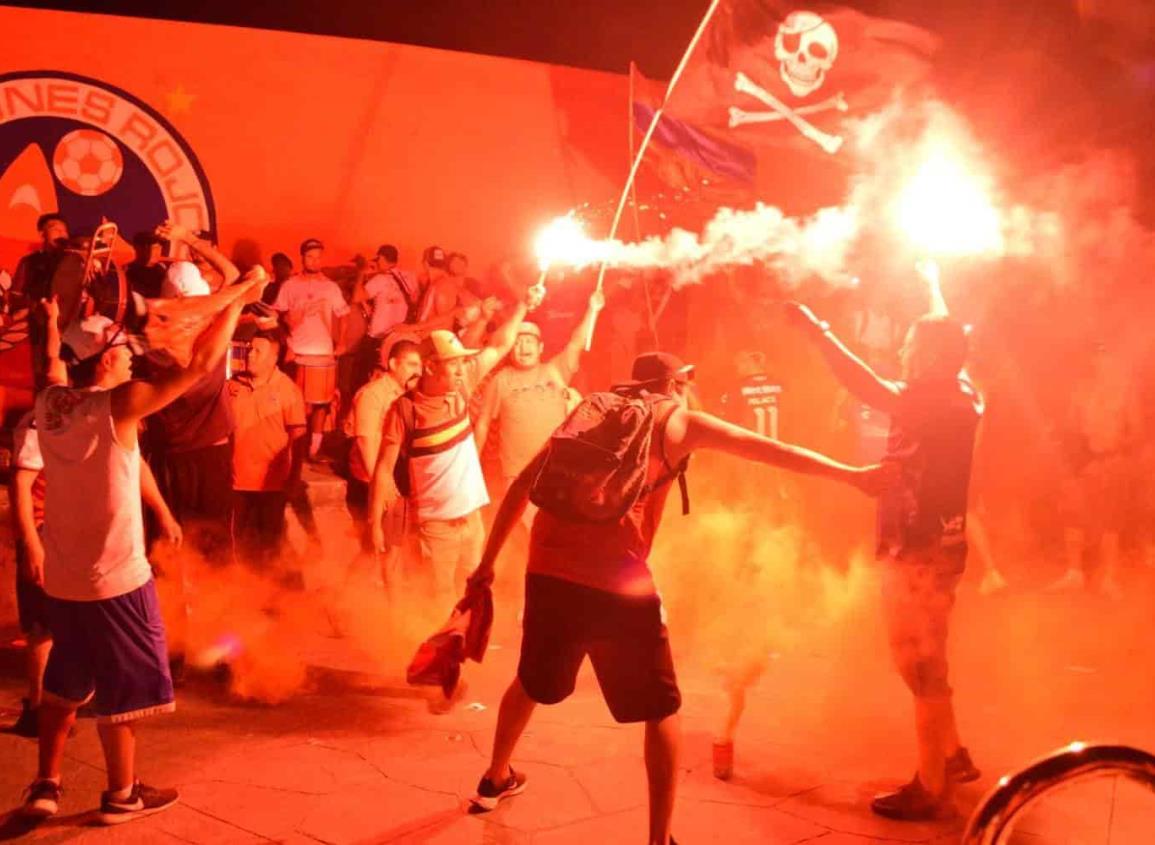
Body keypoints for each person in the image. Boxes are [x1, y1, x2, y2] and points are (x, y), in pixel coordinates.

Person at [464, 351, 892, 845]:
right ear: (679, 382)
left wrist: (487, 563)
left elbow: (522, 485)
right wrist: (852, 475)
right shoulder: (681, 420)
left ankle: (494, 778)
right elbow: (767, 449)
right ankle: (659, 840)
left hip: (549, 563)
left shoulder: (592, 409)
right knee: (661, 708)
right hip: (615, 577)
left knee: (533, 680)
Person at [20, 275, 255, 824]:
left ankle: (45, 785)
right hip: (117, 583)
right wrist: (236, 304)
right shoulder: (119, 407)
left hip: (66, 581)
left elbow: (55, 362)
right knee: (125, 691)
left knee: (63, 685)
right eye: (122, 352)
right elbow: (199, 368)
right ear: (101, 362)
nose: (131, 358)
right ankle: (121, 795)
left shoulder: (50, 402)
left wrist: (54, 324)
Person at [786, 291, 984, 821]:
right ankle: (953, 752)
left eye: (911, 343)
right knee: (931, 657)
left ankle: (929, 785)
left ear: (934, 357)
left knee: (917, 665)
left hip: (916, 549)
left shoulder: (932, 399)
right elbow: (954, 343)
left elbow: (862, 384)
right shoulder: (964, 391)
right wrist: (935, 284)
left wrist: (815, 328)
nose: (902, 349)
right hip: (939, 545)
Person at [368, 290, 538, 606]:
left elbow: (499, 345)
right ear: (430, 367)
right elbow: (383, 468)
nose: (462, 370)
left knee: (475, 594)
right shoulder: (405, 411)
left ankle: (464, 649)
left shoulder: (462, 387)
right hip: (437, 529)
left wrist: (523, 306)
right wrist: (376, 522)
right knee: (440, 601)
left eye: (463, 363)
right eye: (454, 364)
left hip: (472, 520)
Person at [475, 288, 604, 497]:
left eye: (529, 342)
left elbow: (576, 343)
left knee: (558, 526)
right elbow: (483, 423)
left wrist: (593, 310)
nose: (522, 347)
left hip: (558, 468)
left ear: (541, 347)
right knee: (524, 528)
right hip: (518, 474)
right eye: (516, 343)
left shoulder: (554, 369)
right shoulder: (500, 380)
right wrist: (472, 465)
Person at [226, 328, 307, 570]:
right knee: (234, 543)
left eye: (258, 351)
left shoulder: (287, 390)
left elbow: (299, 439)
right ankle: (234, 591)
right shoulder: (232, 386)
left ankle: (267, 595)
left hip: (271, 485)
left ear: (274, 357)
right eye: (250, 349)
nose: (250, 355)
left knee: (268, 546)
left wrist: (293, 478)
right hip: (235, 482)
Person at [272, 238, 349, 461]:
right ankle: (294, 450)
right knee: (296, 403)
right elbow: (279, 315)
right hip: (297, 352)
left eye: (318, 257)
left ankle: (313, 450)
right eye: (309, 256)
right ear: (302, 258)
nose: (314, 261)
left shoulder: (330, 287)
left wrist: (341, 342)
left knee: (321, 404)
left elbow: (344, 315)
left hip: (323, 353)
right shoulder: (290, 285)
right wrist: (286, 341)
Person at [351, 245, 420, 390]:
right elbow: (415, 299)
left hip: (377, 337)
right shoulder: (410, 277)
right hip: (399, 337)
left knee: (360, 378)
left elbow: (357, 297)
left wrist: (361, 274)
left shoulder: (380, 280)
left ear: (382, 258)